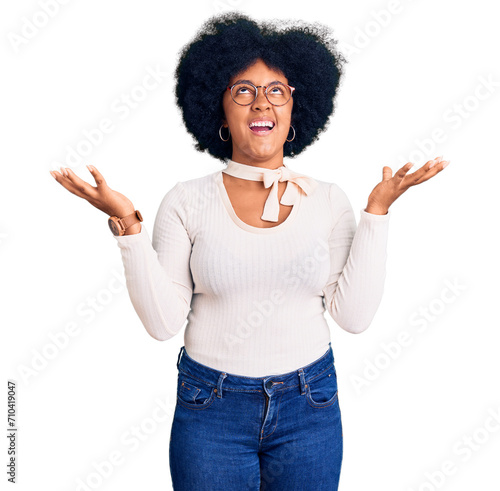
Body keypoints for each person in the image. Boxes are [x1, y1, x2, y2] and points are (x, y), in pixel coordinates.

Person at [49, 12, 449, 491]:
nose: (262, 102)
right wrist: (129, 226)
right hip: (210, 411)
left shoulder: (327, 200)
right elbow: (161, 323)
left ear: (296, 108)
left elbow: (355, 317)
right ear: (219, 109)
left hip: (310, 407)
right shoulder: (186, 200)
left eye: (276, 89)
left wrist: (377, 213)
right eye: (243, 89)